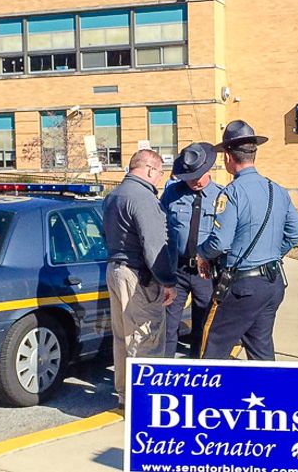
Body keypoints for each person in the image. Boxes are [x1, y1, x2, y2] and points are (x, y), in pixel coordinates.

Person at [196, 120, 298, 361]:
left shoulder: (232, 193)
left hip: (242, 286)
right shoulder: (277, 189)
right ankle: (269, 397)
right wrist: (272, 253)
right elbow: (295, 234)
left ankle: (208, 397)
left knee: (213, 344)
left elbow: (220, 243)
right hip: (272, 282)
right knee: (260, 346)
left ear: (227, 157)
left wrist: (202, 252)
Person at [102, 149, 177, 409]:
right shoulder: (143, 198)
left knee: (123, 338)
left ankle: (125, 397)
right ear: (149, 169)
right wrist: (167, 280)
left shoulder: (114, 195)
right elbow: (154, 245)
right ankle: (144, 404)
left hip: (115, 268)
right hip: (138, 275)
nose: (160, 178)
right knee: (146, 339)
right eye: (159, 172)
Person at [160, 142, 222, 358]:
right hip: (177, 270)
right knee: (168, 325)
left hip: (205, 271)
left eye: (198, 175)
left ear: (208, 170)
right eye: (190, 176)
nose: (194, 181)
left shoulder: (221, 197)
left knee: (202, 325)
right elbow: (161, 228)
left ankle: (197, 369)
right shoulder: (172, 194)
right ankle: (166, 368)